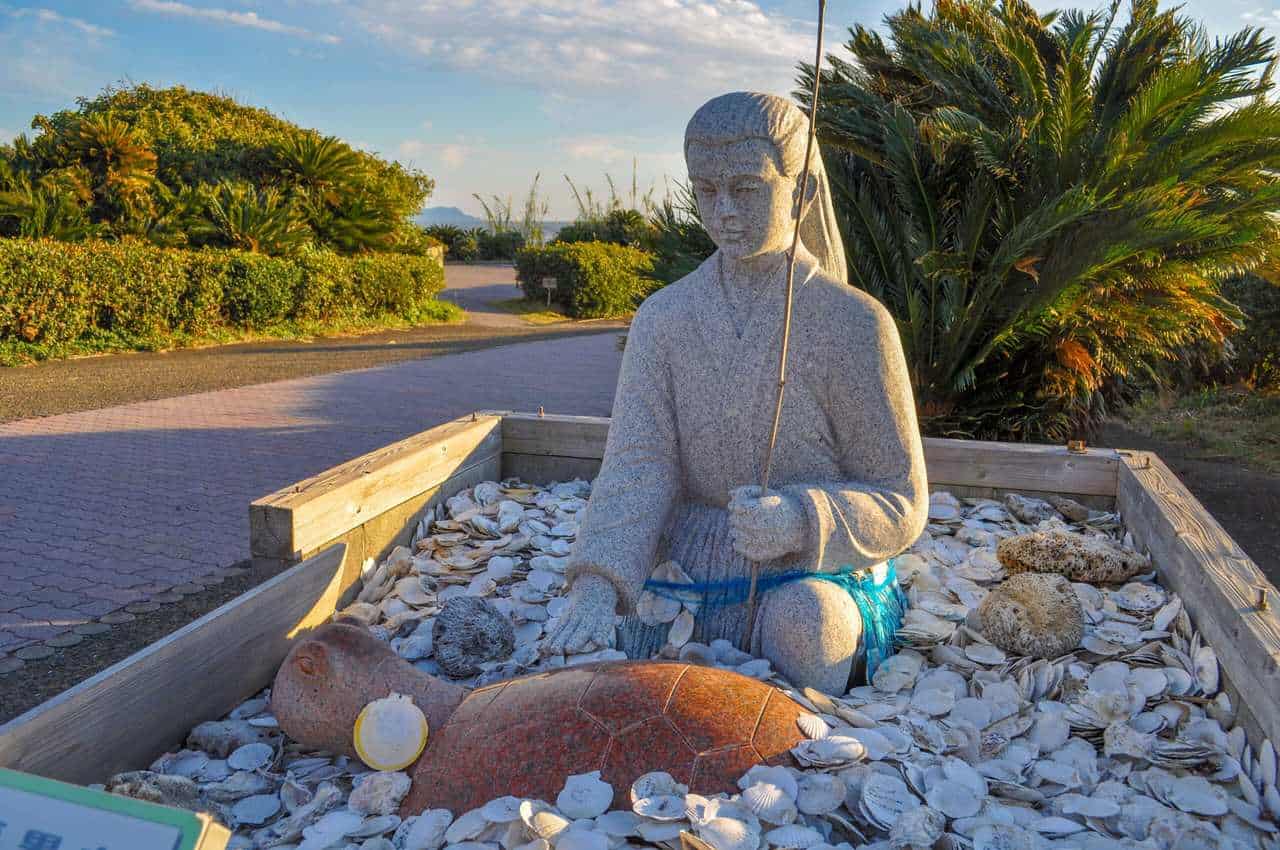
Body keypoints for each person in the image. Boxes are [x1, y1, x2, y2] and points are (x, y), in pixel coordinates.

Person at [541, 91, 928, 694]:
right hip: (689, 560)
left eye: (747, 189)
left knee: (811, 631)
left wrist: (803, 519)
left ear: (800, 192)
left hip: (805, 573)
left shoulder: (854, 324)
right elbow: (638, 465)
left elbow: (900, 497)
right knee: (621, 659)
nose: (723, 210)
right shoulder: (664, 319)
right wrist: (599, 581)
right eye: (705, 190)